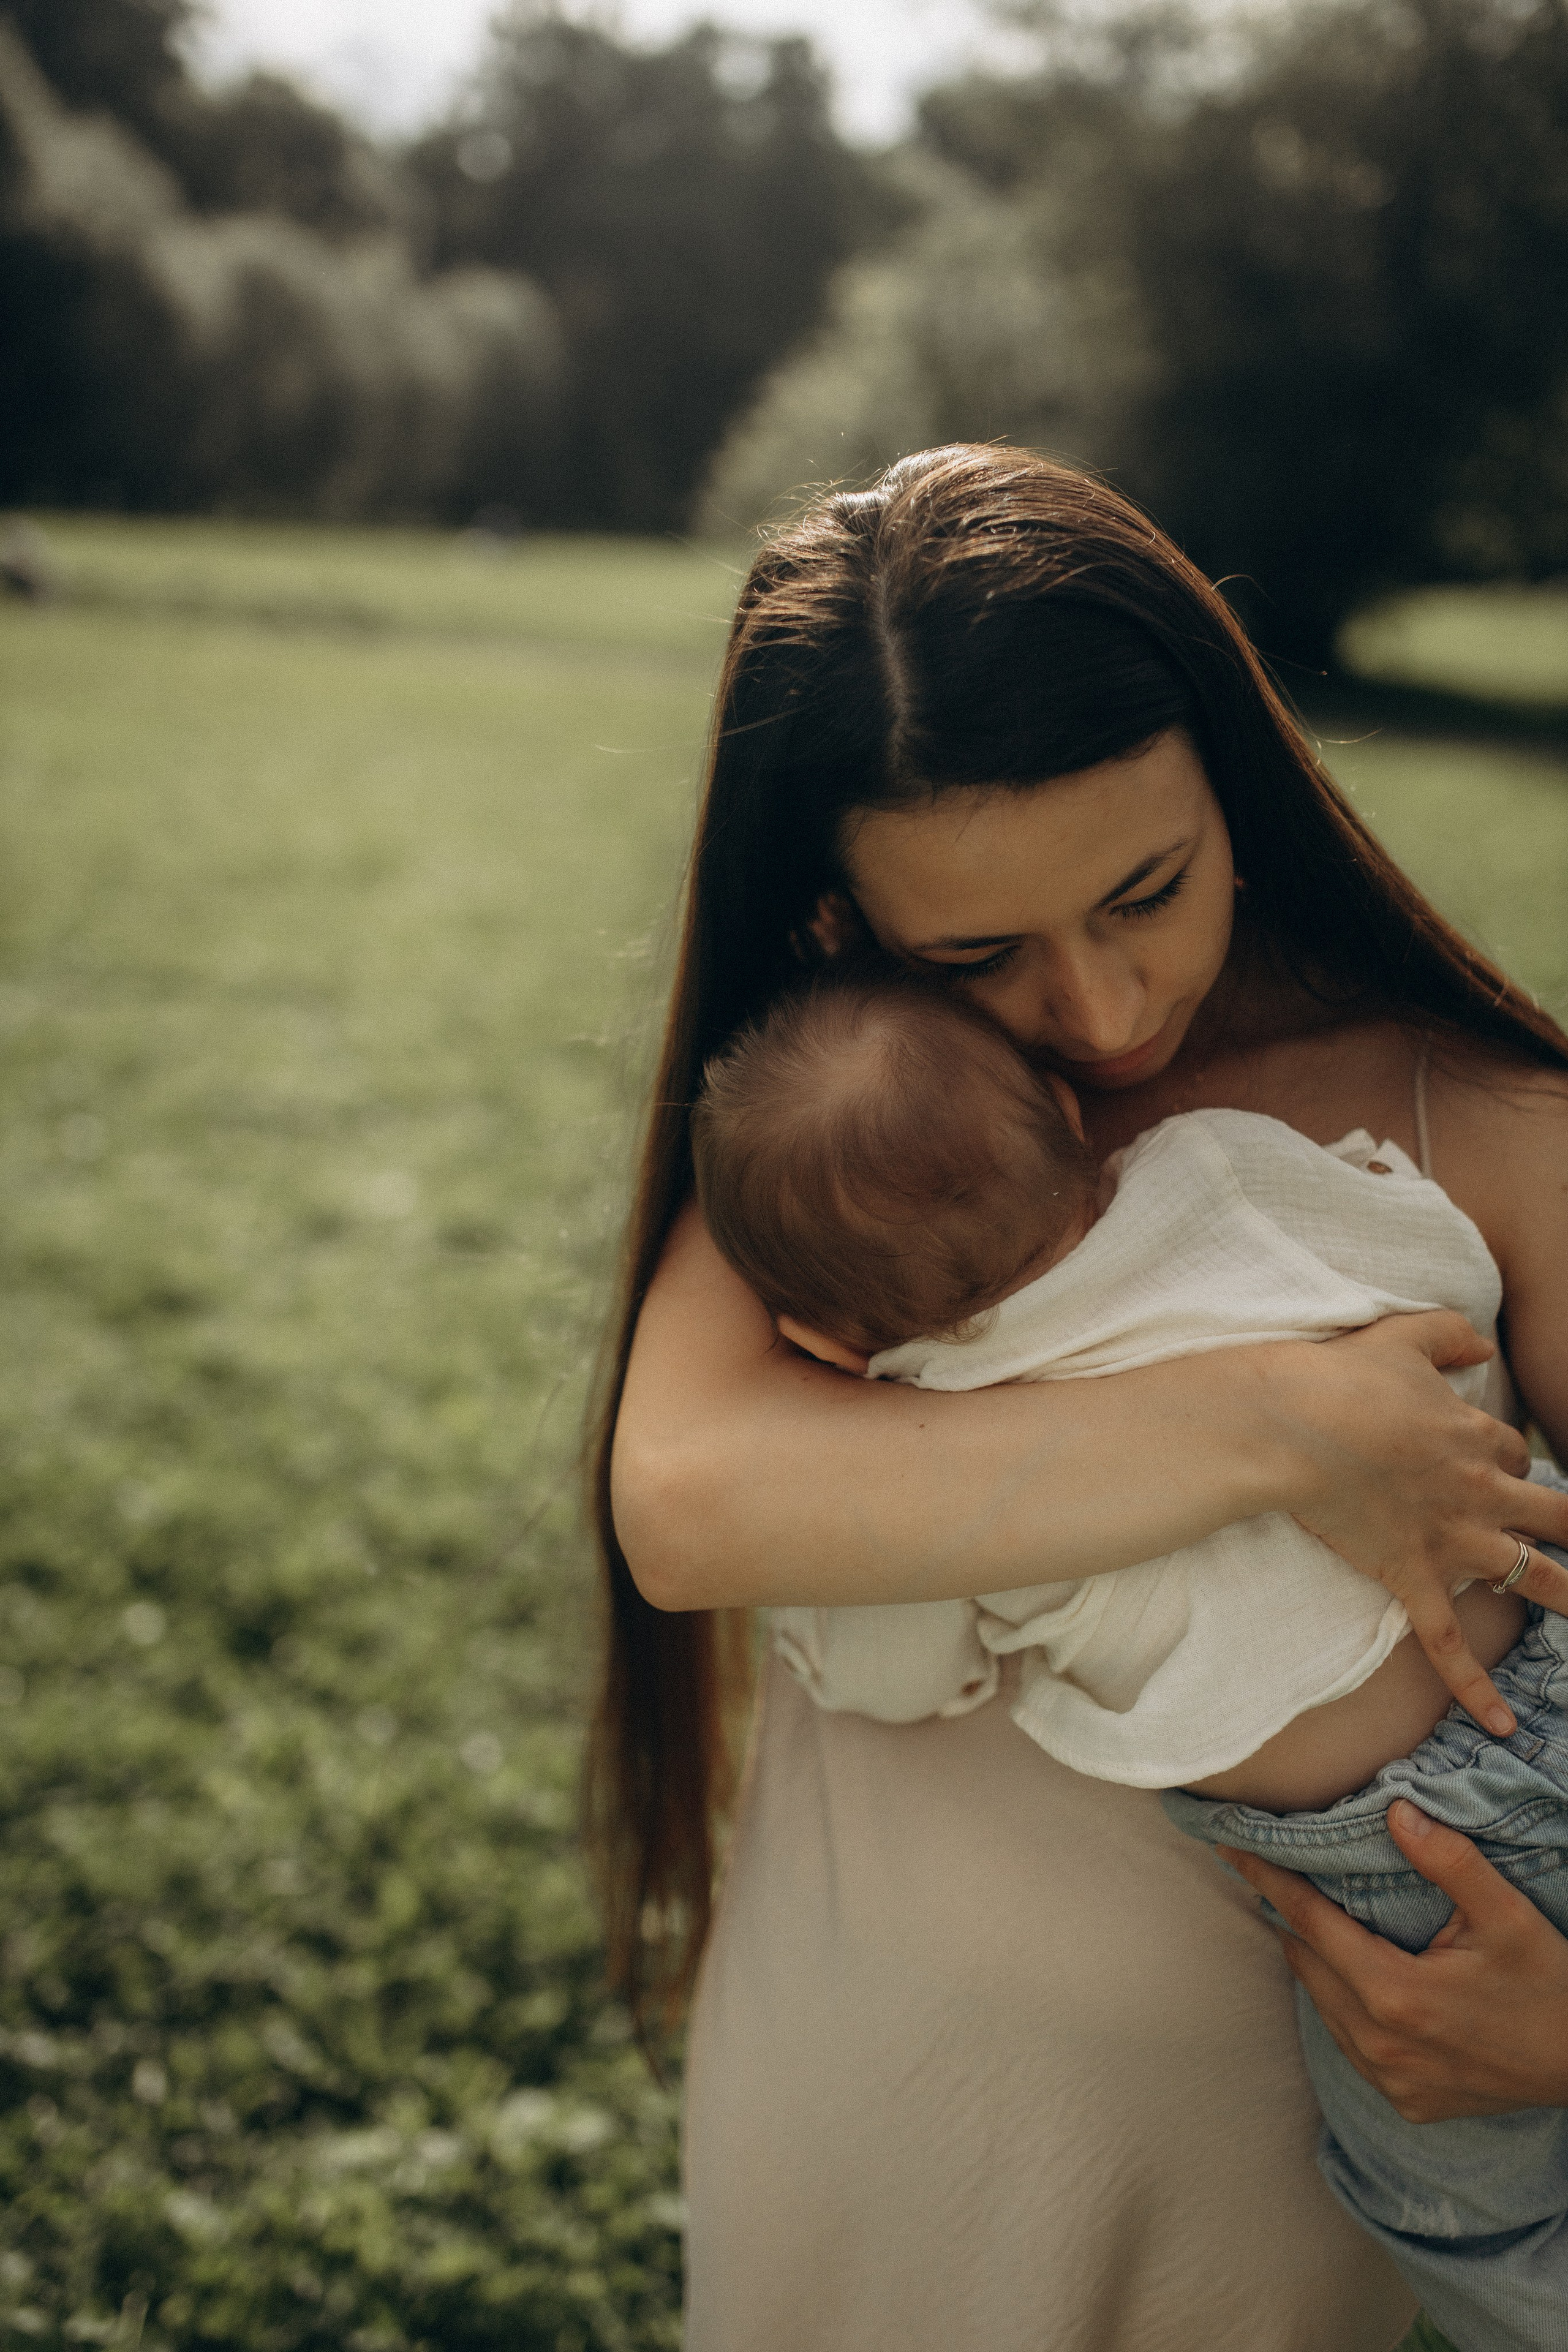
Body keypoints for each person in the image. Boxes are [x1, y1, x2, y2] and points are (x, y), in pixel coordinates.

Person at [589, 444, 1568, 2351]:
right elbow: (689, 1505)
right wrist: (1287, 1432)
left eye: (1148, 890)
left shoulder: (1484, 1124)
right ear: (838, 925)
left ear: (1239, 780)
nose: (1109, 1016)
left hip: (1268, 2199)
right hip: (874, 2124)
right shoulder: (876, 1150)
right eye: (980, 954)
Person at [690, 973, 1568, 2350]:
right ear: (1060, 1108)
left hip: (1400, 1859)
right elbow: (1438, 1260)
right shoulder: (1216, 1164)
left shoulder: (949, 1446)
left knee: (1468, 2216)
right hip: (1544, 1680)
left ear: (818, 1338)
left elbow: (897, 1672)